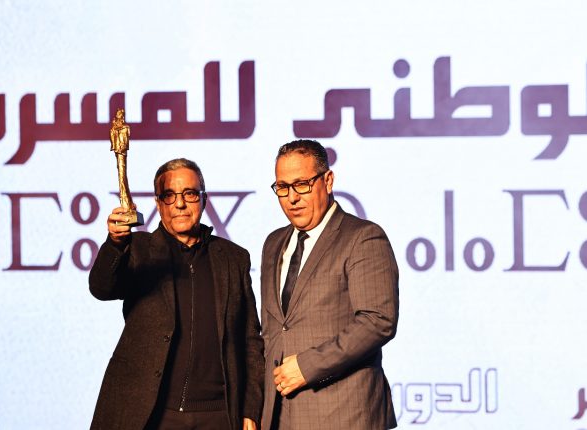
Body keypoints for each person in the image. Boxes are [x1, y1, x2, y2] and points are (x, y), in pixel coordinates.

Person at [89, 158, 264, 430]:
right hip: (151, 415)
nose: (180, 204)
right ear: (158, 204)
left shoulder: (233, 258)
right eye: (169, 196)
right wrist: (115, 244)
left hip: (218, 416)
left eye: (190, 194)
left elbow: (250, 341)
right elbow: (102, 288)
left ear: (204, 199)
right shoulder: (137, 249)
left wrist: (250, 409)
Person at [259, 140, 399, 429]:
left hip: (345, 413)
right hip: (279, 416)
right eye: (282, 187)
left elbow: (377, 321)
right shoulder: (273, 243)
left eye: (302, 185)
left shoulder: (362, 237)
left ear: (328, 180)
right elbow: (273, 331)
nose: (292, 197)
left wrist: (308, 366)